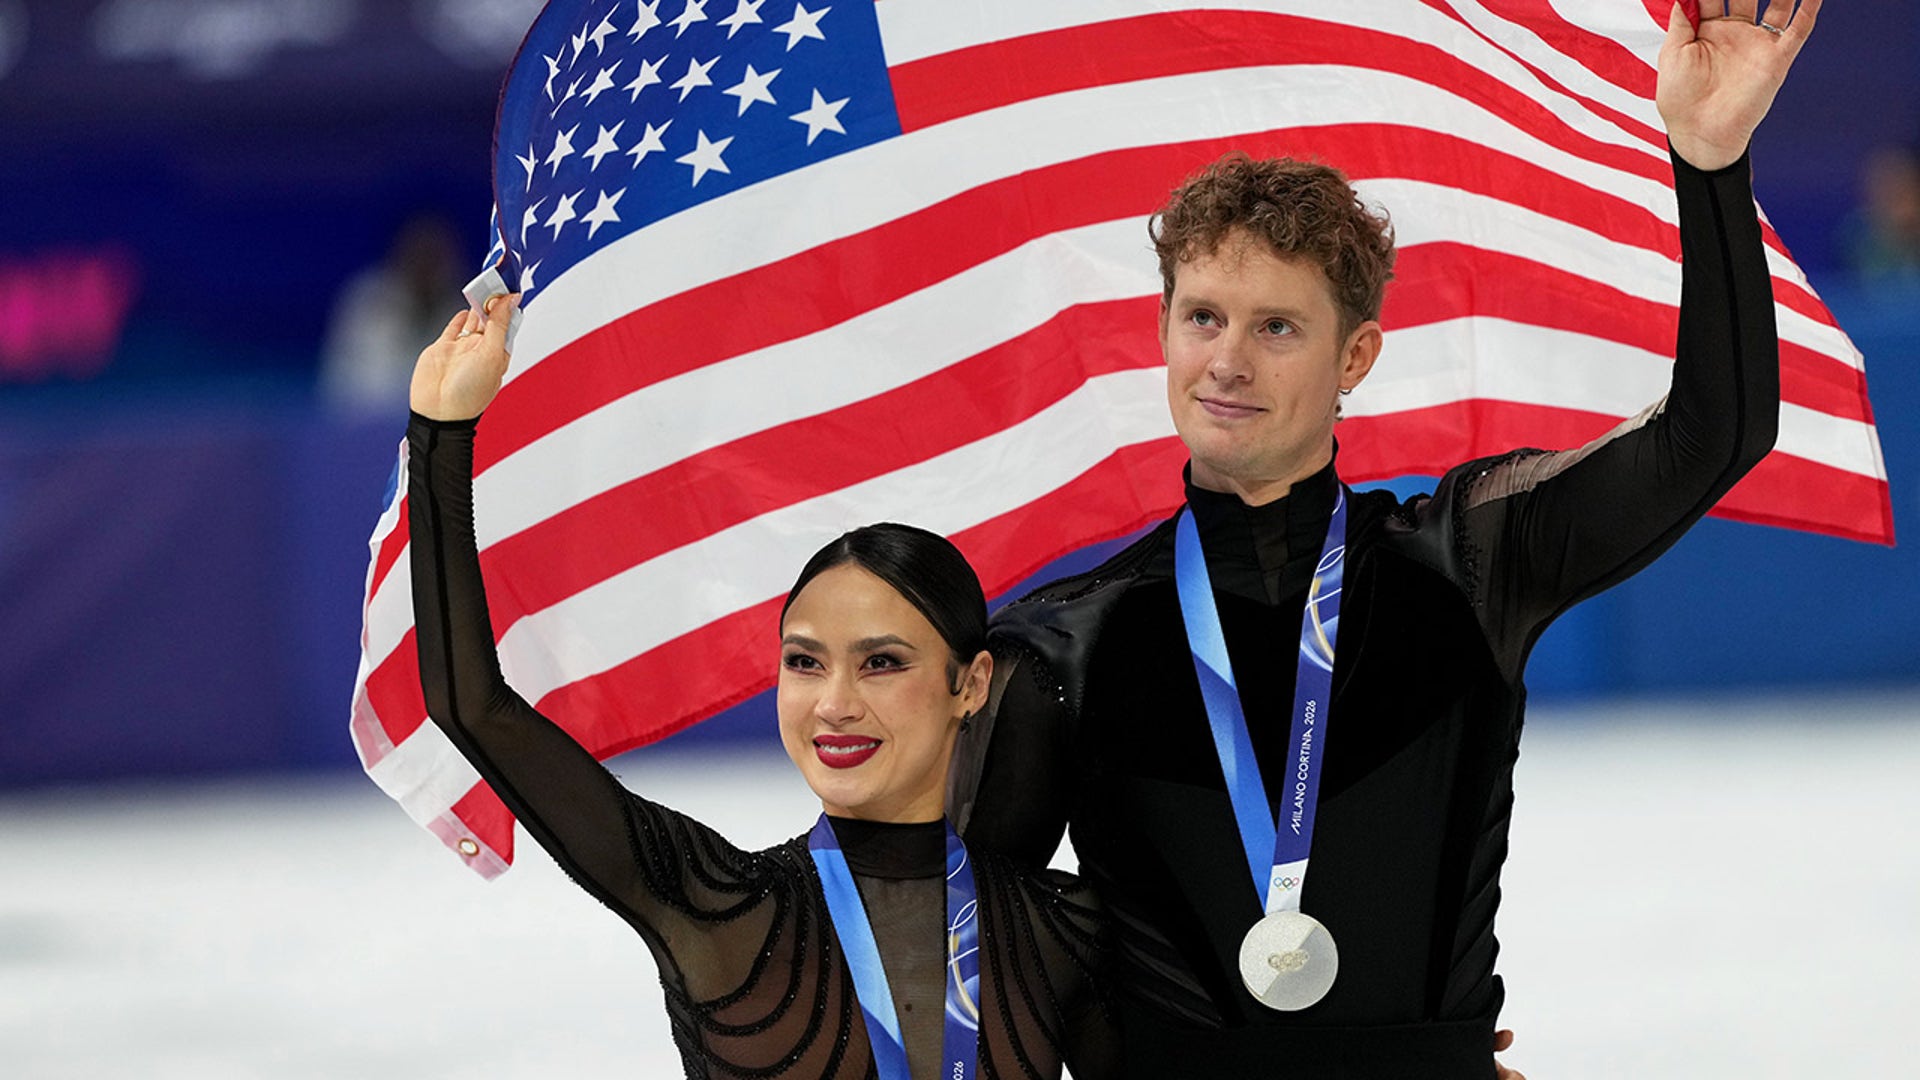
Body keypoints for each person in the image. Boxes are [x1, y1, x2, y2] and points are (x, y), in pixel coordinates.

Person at [949, 4, 1819, 1076]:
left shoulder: (1465, 562)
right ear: (1162, 330)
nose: (1227, 362)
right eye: (1203, 318)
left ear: (1355, 355)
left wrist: (1709, 164)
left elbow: (1711, 436)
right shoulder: (1060, 650)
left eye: (1277, 327)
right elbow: (965, 971)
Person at [404, 299, 1119, 1079]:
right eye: (805, 663)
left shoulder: (1062, 933)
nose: (835, 703)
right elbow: (472, 708)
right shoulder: (714, 906)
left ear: (970, 684)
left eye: (882, 662)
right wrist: (442, 433)